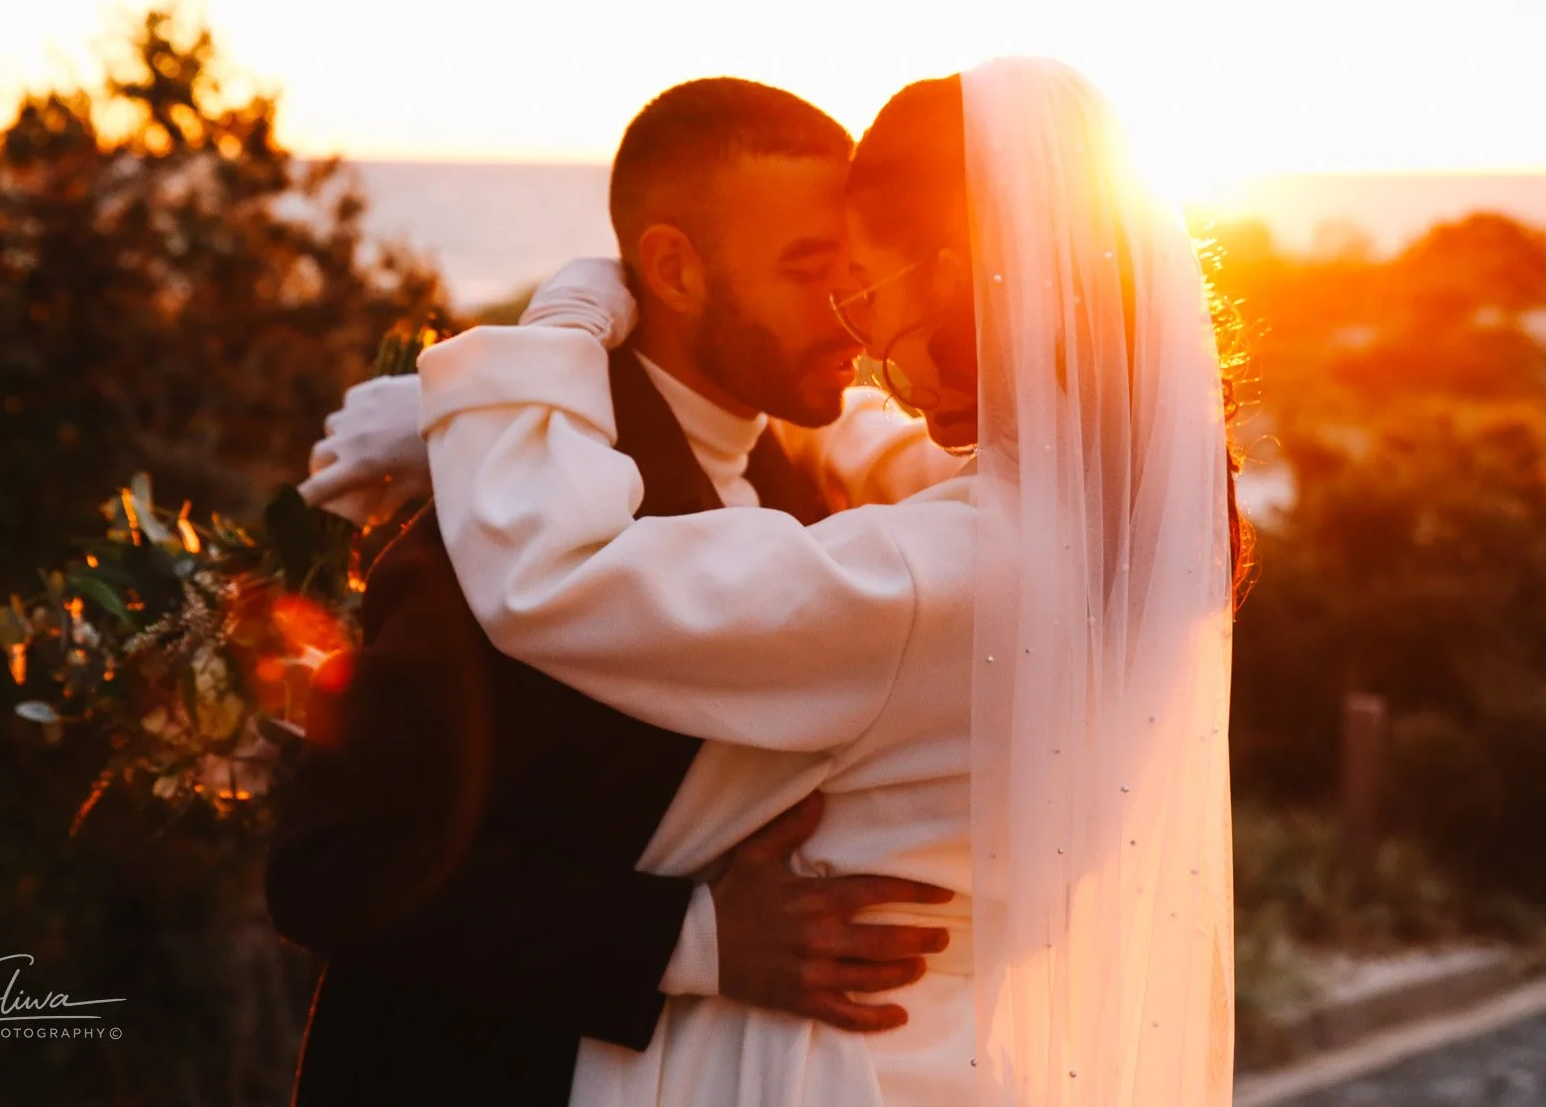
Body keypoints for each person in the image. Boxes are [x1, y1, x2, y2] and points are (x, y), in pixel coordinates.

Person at [414, 59, 1242, 1105]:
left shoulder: (929, 582)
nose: (858, 339)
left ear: (953, 275)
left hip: (809, 1069)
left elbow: (552, 574)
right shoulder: (1136, 531)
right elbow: (913, 466)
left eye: (866, 289)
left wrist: (555, 340)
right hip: (966, 1055)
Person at [267, 78, 965, 1106]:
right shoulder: (508, 510)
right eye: (810, 272)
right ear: (674, 269)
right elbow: (334, 863)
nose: (852, 315)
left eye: (855, 271)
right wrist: (693, 941)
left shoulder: (806, 494)